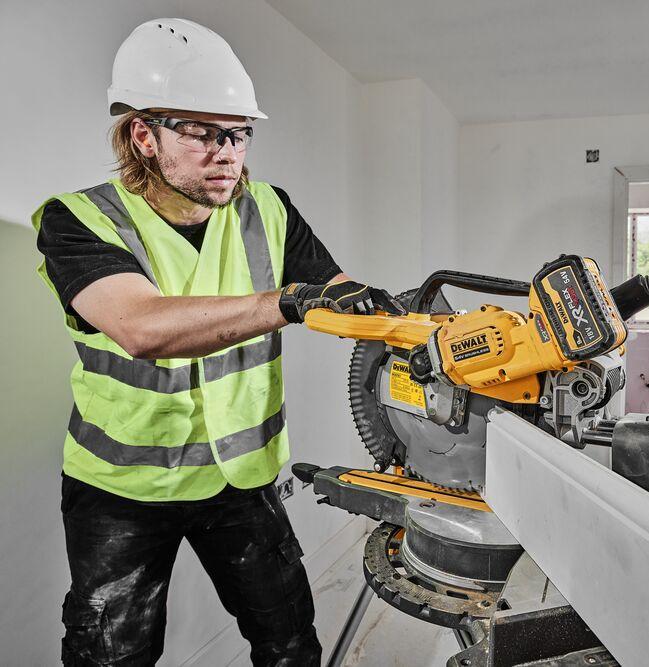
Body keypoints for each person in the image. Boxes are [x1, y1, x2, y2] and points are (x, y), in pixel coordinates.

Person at [32, 18, 402, 666]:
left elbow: (340, 297)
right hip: (122, 489)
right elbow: (141, 327)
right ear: (144, 135)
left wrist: (419, 332)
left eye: (239, 132)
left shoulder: (270, 209)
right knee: (110, 657)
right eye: (204, 133)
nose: (228, 152)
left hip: (242, 476)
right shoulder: (80, 219)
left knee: (290, 645)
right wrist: (288, 301)